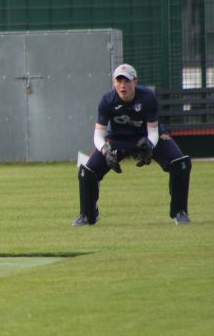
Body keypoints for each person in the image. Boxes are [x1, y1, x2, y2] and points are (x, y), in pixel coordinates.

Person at [74, 63, 192, 226]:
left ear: (135, 82)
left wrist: (149, 145)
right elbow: (98, 135)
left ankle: (180, 212)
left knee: (181, 164)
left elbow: (153, 131)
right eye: (119, 81)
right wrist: (105, 150)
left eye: (127, 81)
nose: (123, 85)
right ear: (114, 82)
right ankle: (88, 215)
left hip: (146, 137)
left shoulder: (147, 97)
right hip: (118, 139)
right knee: (87, 172)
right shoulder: (107, 100)